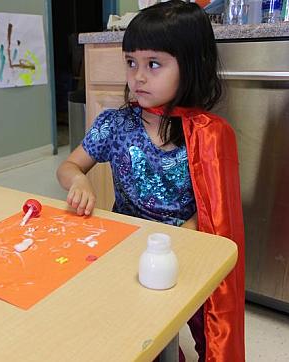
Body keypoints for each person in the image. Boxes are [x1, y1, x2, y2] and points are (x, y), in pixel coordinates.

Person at [56, 1, 244, 361]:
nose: (138, 76)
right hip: (124, 249)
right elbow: (69, 166)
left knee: (189, 328)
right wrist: (77, 180)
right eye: (131, 63)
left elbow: (216, 216)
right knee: (130, 327)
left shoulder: (208, 135)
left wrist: (182, 235)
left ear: (191, 66)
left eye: (153, 64)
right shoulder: (115, 124)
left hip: (185, 252)